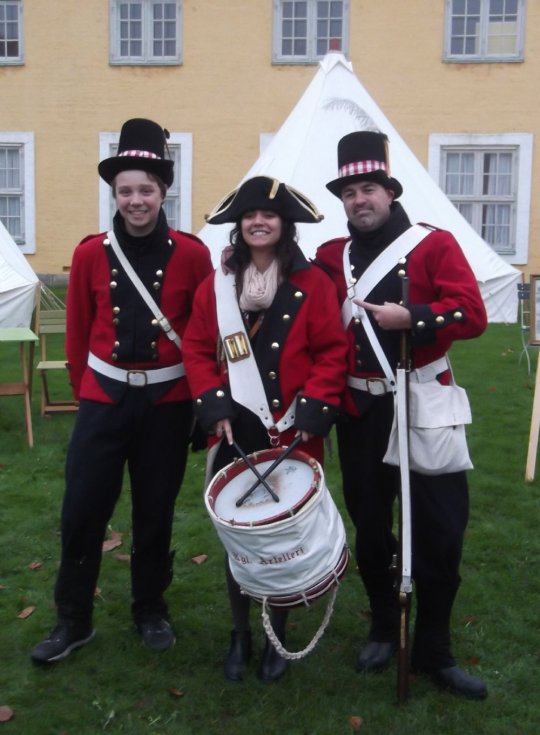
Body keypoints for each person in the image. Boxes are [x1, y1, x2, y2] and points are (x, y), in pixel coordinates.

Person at [30, 118, 213, 664]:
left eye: (146, 190)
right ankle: (73, 619)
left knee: (154, 513)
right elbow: (80, 332)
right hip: (104, 402)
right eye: (126, 190)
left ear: (163, 192)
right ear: (115, 193)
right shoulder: (91, 253)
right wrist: (87, 394)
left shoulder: (192, 254)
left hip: (167, 405)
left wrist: (201, 405)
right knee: (83, 510)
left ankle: (150, 608)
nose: (136, 200)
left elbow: (200, 332)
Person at [315, 131, 488, 699]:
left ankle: (434, 650)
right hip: (359, 409)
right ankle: (386, 627)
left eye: (368, 188)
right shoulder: (328, 257)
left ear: (390, 192)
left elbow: (472, 312)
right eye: (349, 192)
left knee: (441, 533)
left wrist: (412, 316)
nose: (359, 200)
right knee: (370, 528)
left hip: (421, 402)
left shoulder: (432, 246)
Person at [182, 176, 347, 683]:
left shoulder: (313, 282)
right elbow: (196, 347)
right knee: (240, 539)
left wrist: (314, 409)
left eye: (269, 216)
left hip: (291, 429)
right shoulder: (218, 285)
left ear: (284, 225)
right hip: (236, 429)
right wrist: (214, 408)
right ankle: (241, 634)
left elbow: (331, 352)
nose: (258, 222)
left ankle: (277, 631)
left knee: (280, 541)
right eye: (250, 216)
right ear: (240, 225)